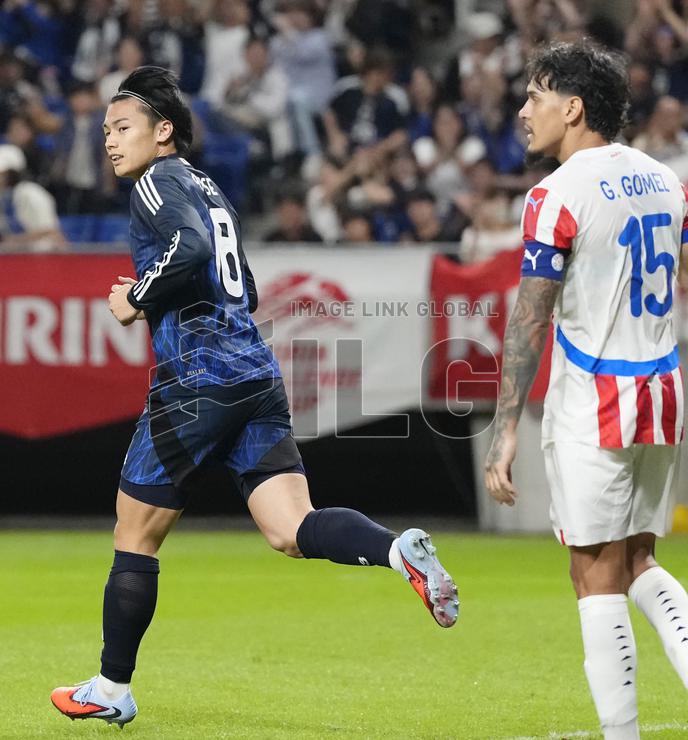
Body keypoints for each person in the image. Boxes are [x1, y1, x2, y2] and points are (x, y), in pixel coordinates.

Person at [49, 66, 460, 729]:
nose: (109, 141)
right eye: (104, 131)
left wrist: (135, 299)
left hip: (198, 379)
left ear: (162, 132)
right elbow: (241, 284)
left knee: (135, 533)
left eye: (121, 128)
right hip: (254, 373)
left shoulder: (159, 181)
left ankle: (112, 685)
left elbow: (187, 251)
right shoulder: (210, 187)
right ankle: (394, 550)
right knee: (290, 529)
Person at [482, 41, 688, 740]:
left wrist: (506, 425)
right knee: (639, 557)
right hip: (663, 395)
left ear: (573, 107)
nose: (524, 112)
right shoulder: (664, 181)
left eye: (535, 97)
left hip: (595, 400)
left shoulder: (556, 195)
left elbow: (532, 315)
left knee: (594, 575)